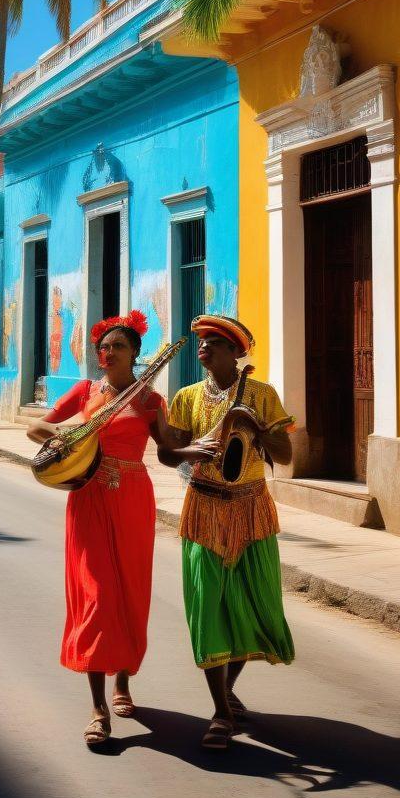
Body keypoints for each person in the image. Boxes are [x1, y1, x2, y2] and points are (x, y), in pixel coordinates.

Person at [27, 310, 175, 747]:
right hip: (88, 496)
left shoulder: (150, 401)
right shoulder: (86, 391)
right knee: (96, 595)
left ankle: (124, 680)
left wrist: (199, 448)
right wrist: (69, 435)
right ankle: (97, 707)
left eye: (118, 347)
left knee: (129, 591)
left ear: (134, 354)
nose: (107, 353)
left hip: (132, 498)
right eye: (103, 347)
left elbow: (167, 449)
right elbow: (37, 426)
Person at [158, 314, 295, 750]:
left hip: (252, 509)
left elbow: (286, 454)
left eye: (214, 342)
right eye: (201, 341)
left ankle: (228, 688)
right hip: (203, 507)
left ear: (236, 353)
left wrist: (252, 425)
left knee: (253, 607)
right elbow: (166, 454)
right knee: (208, 609)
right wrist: (188, 450)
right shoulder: (186, 397)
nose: (204, 347)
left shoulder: (262, 394)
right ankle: (219, 711)